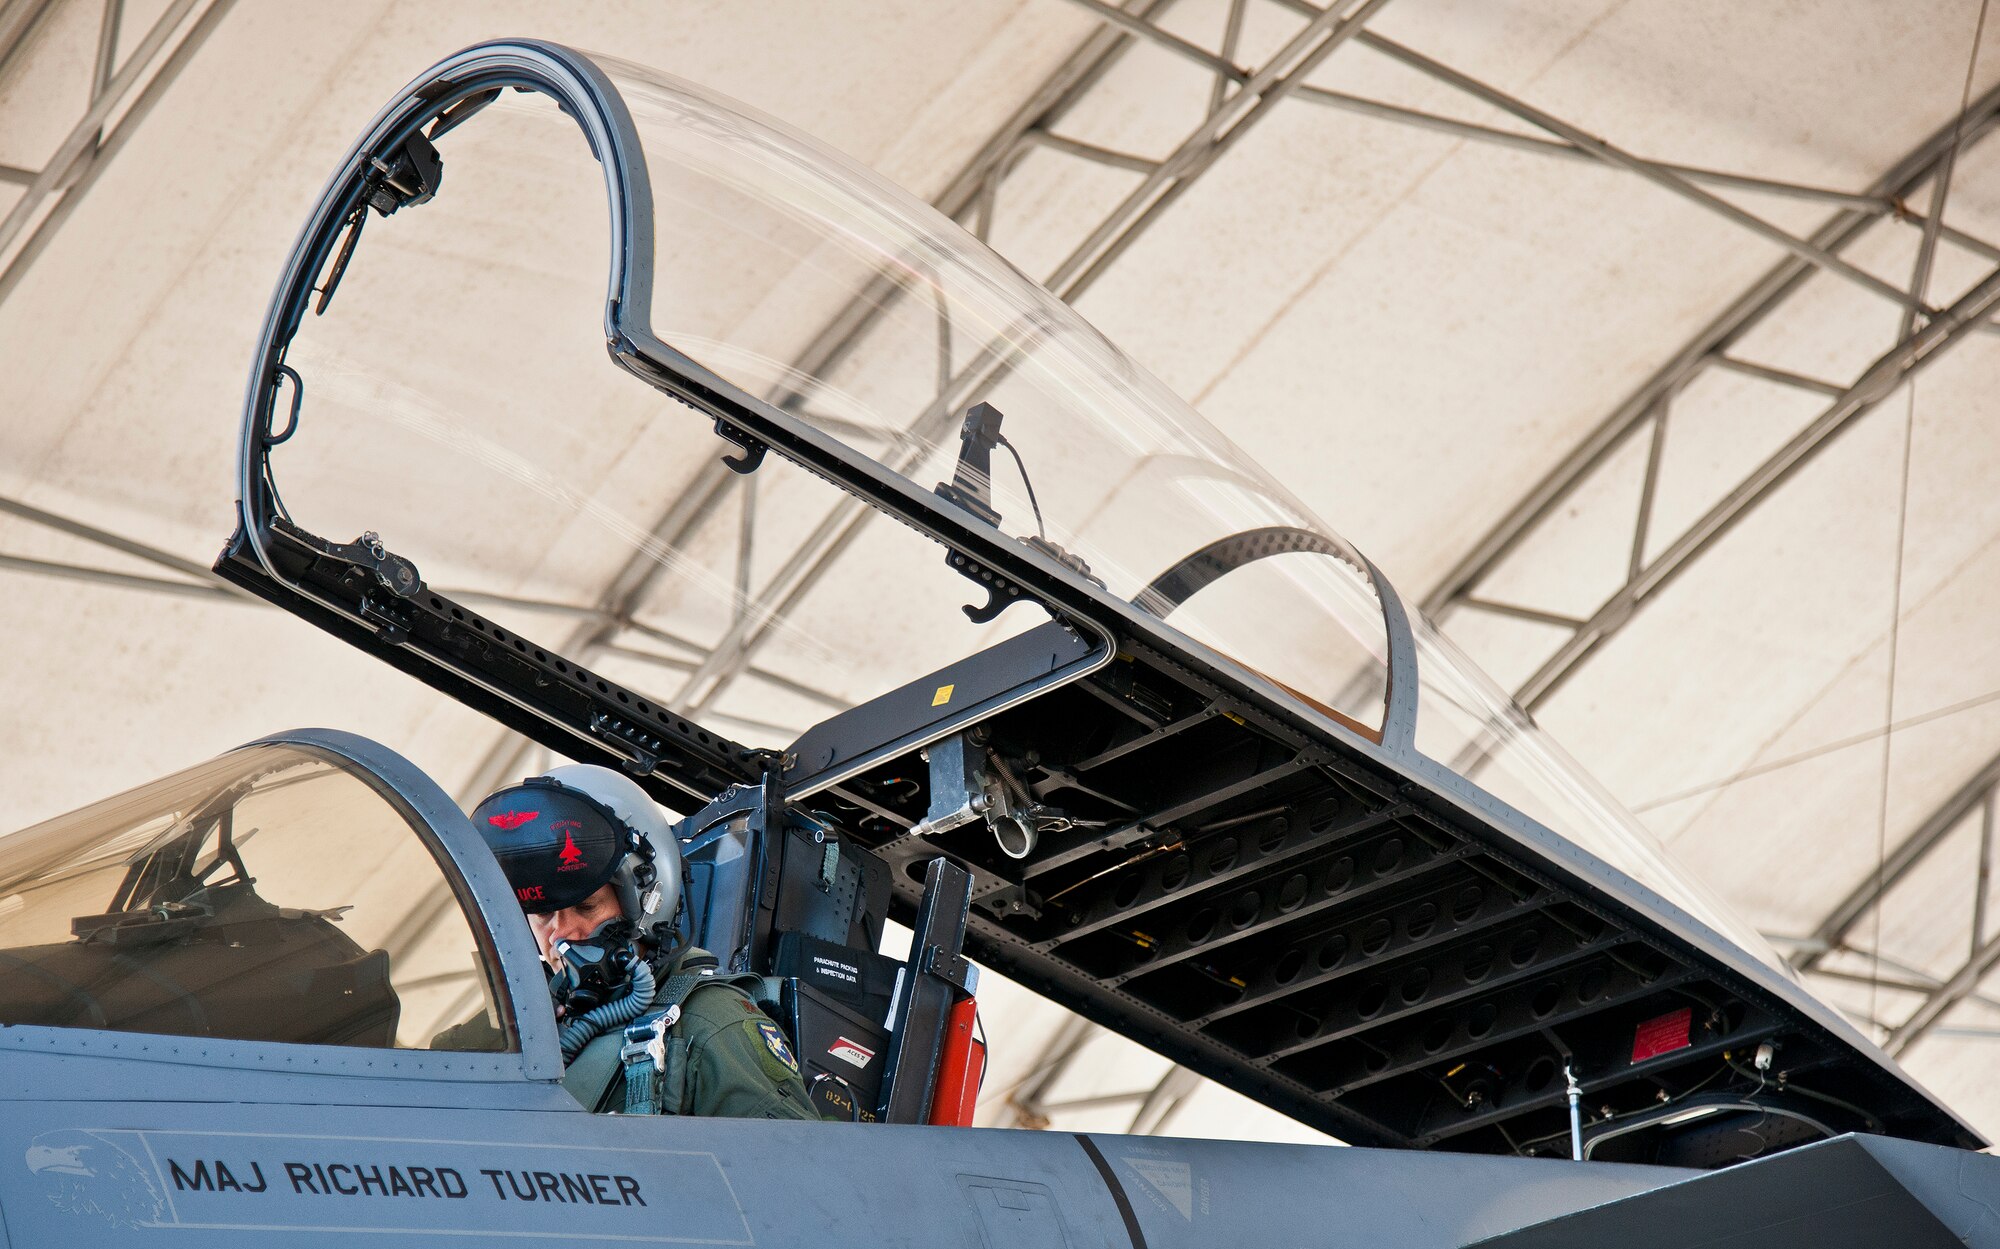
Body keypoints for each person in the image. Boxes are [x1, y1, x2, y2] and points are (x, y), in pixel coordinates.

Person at [451, 763, 818, 1121]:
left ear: (647, 900)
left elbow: (797, 1172)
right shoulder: (512, 1029)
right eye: (542, 914)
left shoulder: (712, 1028)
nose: (561, 933)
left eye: (586, 905)